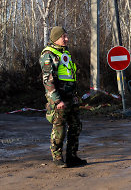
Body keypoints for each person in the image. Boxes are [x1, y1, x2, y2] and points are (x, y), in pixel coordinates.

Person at [39, 26, 87, 168]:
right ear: (55, 38)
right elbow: (48, 80)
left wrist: (75, 96)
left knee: (76, 126)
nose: (66, 39)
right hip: (59, 98)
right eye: (63, 36)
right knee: (59, 127)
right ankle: (57, 157)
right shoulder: (49, 54)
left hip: (71, 97)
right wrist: (56, 100)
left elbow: (71, 77)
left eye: (66, 36)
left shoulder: (65, 53)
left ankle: (72, 156)